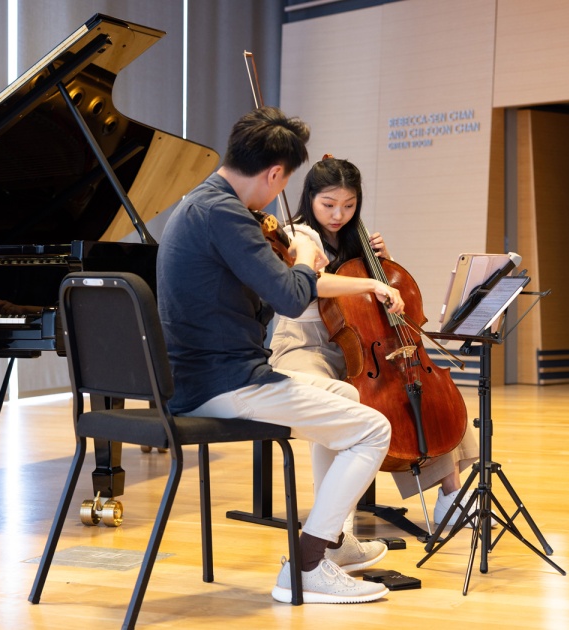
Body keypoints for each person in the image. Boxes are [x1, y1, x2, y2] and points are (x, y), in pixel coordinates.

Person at [156, 108, 401, 604]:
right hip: (224, 383)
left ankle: (334, 540)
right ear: (274, 174)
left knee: (346, 395)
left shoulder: (200, 204)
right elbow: (291, 297)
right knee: (374, 430)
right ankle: (306, 564)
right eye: (284, 180)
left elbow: (276, 291)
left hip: (204, 376)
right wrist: (305, 259)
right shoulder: (226, 215)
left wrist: (335, 276)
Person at [267, 156, 478, 530]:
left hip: (361, 346)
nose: (339, 215)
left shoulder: (355, 239)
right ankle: (334, 518)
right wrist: (371, 282)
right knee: (332, 403)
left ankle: (450, 495)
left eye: (349, 206)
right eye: (329, 205)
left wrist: (384, 263)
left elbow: (389, 298)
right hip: (305, 344)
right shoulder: (298, 235)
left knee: (427, 394)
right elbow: (314, 284)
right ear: (310, 198)